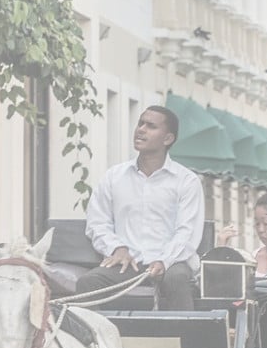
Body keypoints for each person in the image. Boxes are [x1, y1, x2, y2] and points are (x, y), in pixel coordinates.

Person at [79, 105, 204, 311]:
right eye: (140, 123)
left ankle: (185, 341)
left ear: (167, 139)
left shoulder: (186, 181)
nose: (141, 129)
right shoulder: (113, 177)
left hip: (172, 263)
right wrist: (116, 248)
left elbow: (187, 233)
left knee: (176, 280)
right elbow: (97, 222)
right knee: (88, 283)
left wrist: (163, 261)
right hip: (128, 264)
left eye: (151, 126)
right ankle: (91, 342)